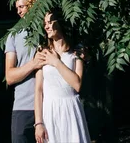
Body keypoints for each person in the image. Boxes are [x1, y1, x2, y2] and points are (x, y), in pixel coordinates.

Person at [34, 10, 91, 143]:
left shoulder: (76, 52)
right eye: (44, 24)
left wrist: (56, 62)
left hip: (71, 109)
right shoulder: (43, 52)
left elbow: (77, 84)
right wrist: (38, 123)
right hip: (50, 110)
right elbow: (38, 90)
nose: (46, 26)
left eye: (50, 22)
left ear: (60, 23)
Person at [5, 0, 48, 143]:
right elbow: (9, 77)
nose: (19, 11)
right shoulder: (13, 35)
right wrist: (33, 64)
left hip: (49, 105)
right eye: (17, 8)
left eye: (22, 6)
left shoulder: (48, 28)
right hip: (23, 107)